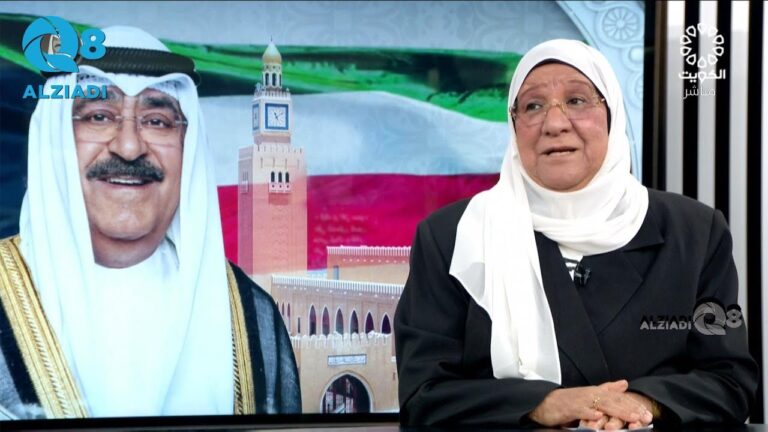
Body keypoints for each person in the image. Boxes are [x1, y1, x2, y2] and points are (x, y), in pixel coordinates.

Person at [394, 39, 758, 429]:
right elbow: (423, 395)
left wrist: (641, 404)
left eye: (577, 100)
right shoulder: (452, 237)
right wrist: (544, 404)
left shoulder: (695, 233)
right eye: (533, 106)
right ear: (513, 126)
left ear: (612, 114)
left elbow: (730, 383)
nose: (555, 124)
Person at [0, 26, 300, 419]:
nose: (129, 147)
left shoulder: (252, 317)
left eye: (157, 121)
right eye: (98, 116)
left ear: (187, 147)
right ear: (55, 140)